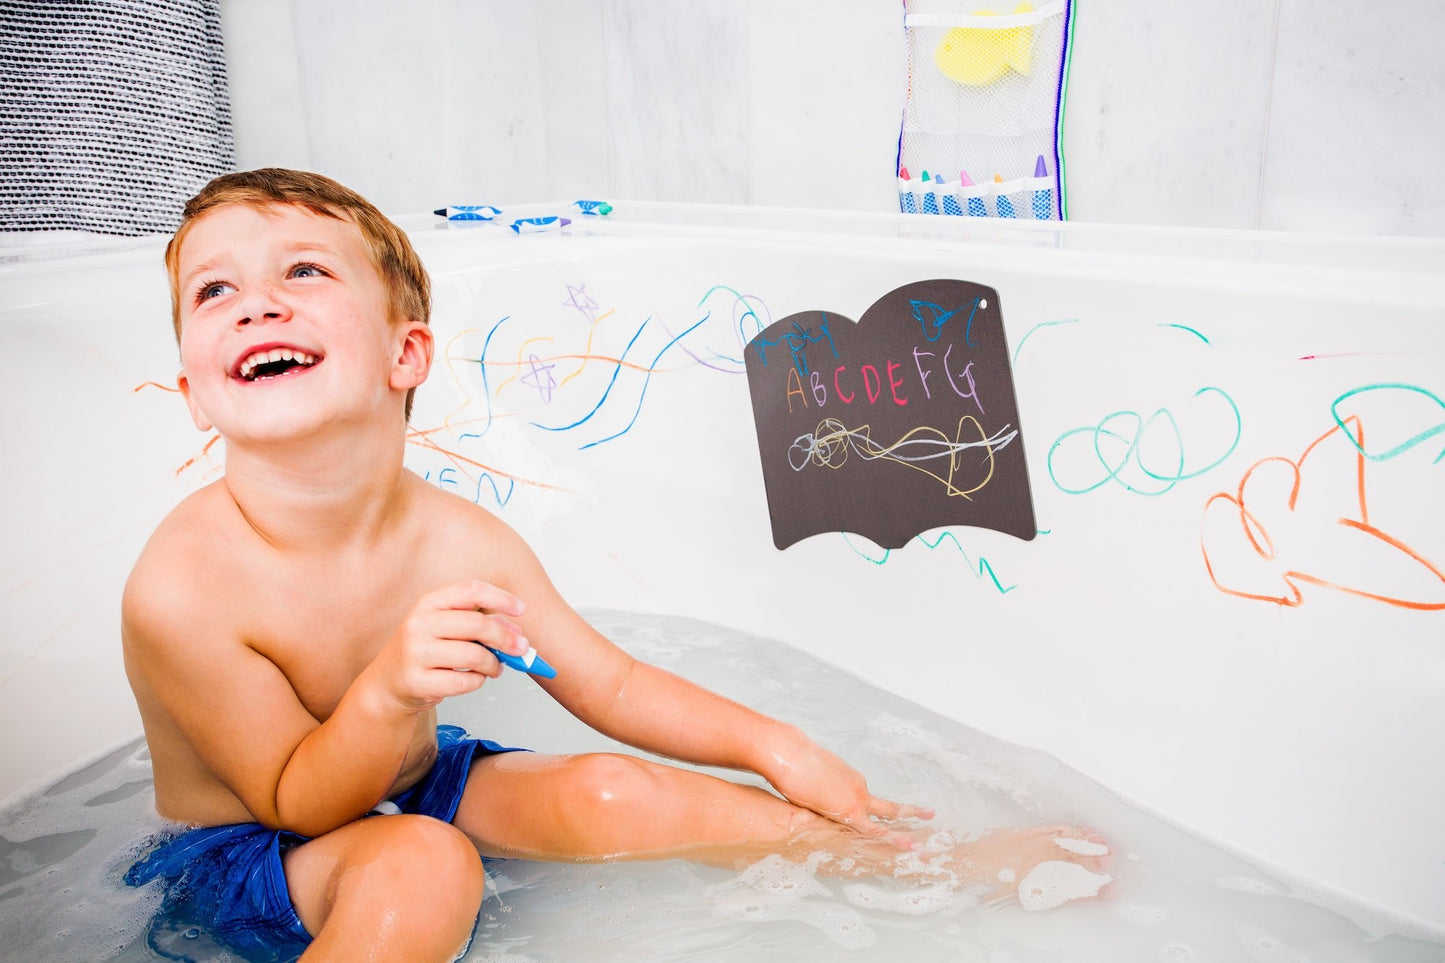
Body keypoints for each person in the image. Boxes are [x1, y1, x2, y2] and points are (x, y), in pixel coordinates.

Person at [122, 169, 1110, 962]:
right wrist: (386, 693)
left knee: (609, 789)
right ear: (194, 394)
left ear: (406, 353)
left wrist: (774, 746)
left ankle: (899, 862)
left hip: (412, 776)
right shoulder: (186, 588)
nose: (254, 305)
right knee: (423, 866)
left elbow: (607, 680)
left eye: (301, 274)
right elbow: (297, 800)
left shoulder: (457, 540)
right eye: (216, 290)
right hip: (247, 850)